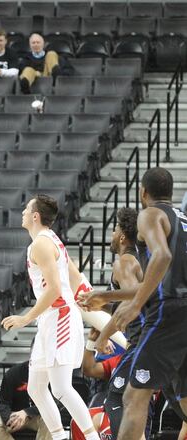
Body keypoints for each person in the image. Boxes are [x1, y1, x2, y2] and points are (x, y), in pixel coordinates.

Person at [2, 195, 100, 440]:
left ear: (35, 216)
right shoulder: (47, 241)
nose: (23, 212)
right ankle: (59, 437)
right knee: (36, 388)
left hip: (61, 317)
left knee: (61, 388)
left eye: (26, 209)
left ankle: (92, 438)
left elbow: (55, 290)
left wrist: (25, 318)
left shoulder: (42, 244)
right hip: (49, 320)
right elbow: (75, 278)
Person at [105, 168, 187, 440]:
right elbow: (158, 276)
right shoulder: (184, 220)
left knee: (132, 396)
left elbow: (161, 257)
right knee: (184, 400)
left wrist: (136, 304)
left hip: (169, 312)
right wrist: (105, 297)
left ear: (143, 192)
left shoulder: (150, 214)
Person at [78, 207, 150, 438]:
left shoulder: (124, 262)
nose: (111, 234)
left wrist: (103, 335)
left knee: (116, 398)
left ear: (121, 236)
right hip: (147, 338)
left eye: (114, 229)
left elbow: (134, 300)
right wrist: (102, 305)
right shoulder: (133, 261)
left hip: (141, 340)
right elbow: (129, 301)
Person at [0, 362, 51, 440]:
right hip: (14, 414)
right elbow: (3, 402)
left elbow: (53, 403)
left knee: (51, 420)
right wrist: (9, 419)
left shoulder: (50, 374)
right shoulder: (13, 373)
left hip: (37, 415)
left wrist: (26, 412)